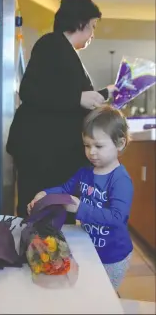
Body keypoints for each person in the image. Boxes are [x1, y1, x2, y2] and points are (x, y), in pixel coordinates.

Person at [6, 0, 118, 221]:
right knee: (40, 212)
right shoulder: (52, 43)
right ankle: (41, 253)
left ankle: (49, 253)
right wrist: (77, 98)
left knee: (52, 214)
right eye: (93, 26)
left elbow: (68, 94)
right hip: (42, 152)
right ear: (80, 23)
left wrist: (107, 93)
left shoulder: (66, 52)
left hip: (52, 152)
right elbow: (29, 90)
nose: (93, 34)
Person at [28, 105, 133, 290]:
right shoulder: (84, 172)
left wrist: (80, 208)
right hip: (89, 247)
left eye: (98, 146)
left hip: (113, 256)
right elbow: (65, 188)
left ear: (120, 143)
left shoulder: (120, 180)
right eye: (87, 145)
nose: (91, 152)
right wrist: (45, 194)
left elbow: (117, 218)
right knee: (88, 292)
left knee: (104, 296)